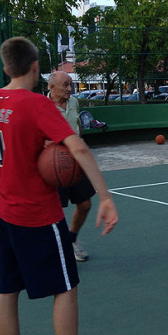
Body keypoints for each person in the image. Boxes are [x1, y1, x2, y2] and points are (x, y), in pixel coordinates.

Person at [0, 37, 118, 335]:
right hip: (40, 216)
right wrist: (105, 197)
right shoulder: (38, 105)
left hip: (2, 214)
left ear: (5, 68)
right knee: (65, 287)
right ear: (36, 68)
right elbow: (77, 147)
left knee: (6, 289)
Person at [48, 71, 95, 261]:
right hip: (53, 165)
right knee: (53, 211)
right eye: (65, 85)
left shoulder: (74, 102)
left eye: (71, 85)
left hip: (75, 162)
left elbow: (77, 127)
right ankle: (54, 248)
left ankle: (71, 239)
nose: (70, 89)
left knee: (85, 204)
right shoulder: (41, 106)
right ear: (51, 87)